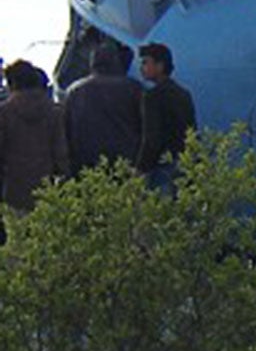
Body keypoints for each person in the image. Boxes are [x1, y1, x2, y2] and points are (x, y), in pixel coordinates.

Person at [0, 59, 69, 221]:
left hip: (13, 191)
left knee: (17, 240)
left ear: (12, 84)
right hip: (46, 189)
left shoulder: (4, 113)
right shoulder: (55, 111)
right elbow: (61, 153)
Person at [62, 42, 144, 172]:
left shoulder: (74, 91)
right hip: (125, 161)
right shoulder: (134, 88)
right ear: (116, 60)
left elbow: (66, 131)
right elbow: (145, 127)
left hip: (86, 163)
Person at [136, 42, 197, 192]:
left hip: (163, 167)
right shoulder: (184, 94)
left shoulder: (152, 97)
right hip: (185, 163)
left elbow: (152, 139)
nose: (141, 68)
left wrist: (141, 169)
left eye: (145, 62)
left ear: (160, 66)